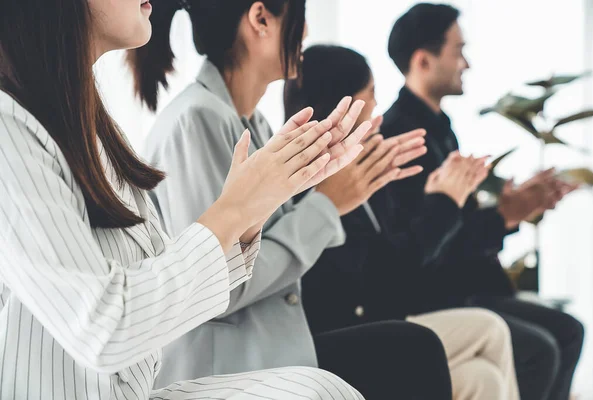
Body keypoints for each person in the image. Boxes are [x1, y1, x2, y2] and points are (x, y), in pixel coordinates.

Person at [0, 0, 369, 398]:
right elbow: (103, 326)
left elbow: (158, 275)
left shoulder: (90, 125)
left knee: (325, 388)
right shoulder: (11, 129)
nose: (308, 34)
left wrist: (254, 206)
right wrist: (242, 207)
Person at [128, 1, 455, 398]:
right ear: (261, 18)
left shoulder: (252, 123)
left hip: (274, 351)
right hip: (224, 370)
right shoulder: (195, 120)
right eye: (299, 17)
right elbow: (216, 286)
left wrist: (340, 187)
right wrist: (326, 205)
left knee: (416, 348)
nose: (306, 32)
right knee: (415, 349)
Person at [285, 44, 521, 400]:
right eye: (372, 94)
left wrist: (445, 200)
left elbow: (398, 256)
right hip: (345, 335)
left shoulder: (364, 165)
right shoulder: (314, 183)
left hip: (384, 317)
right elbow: (390, 277)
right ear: (343, 106)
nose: (378, 107)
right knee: (492, 329)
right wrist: (443, 203)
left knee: (481, 379)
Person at [377, 4, 584, 400]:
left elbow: (456, 223)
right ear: (423, 60)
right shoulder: (403, 137)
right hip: (437, 297)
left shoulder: (439, 127)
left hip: (463, 287)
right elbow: (429, 249)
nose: (466, 63)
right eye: (458, 51)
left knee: (567, 330)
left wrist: (513, 207)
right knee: (544, 346)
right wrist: (506, 215)